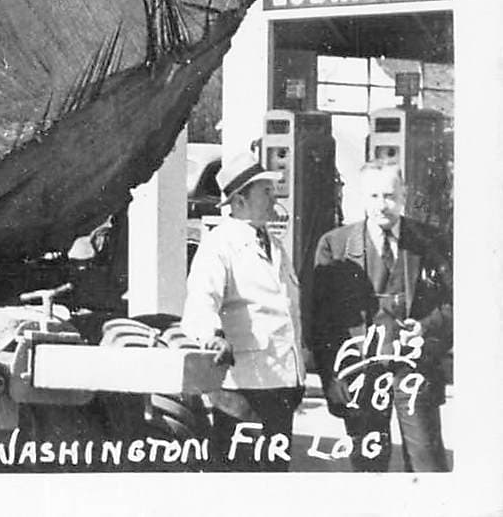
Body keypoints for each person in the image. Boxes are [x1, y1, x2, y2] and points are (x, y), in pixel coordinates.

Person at [309, 160, 452, 472]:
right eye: (373, 196)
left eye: (389, 195)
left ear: (404, 195)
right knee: (369, 469)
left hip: (413, 374)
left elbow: (458, 304)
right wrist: (331, 376)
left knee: (428, 468)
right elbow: (321, 322)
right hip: (361, 376)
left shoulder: (431, 241)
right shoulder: (334, 245)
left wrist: (425, 328)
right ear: (361, 198)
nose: (382, 205)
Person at [181, 162, 305, 472]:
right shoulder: (219, 244)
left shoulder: (274, 244)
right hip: (244, 387)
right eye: (265, 192)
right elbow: (201, 298)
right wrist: (211, 336)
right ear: (239, 201)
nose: (274, 200)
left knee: (273, 476)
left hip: (280, 383)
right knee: (241, 479)